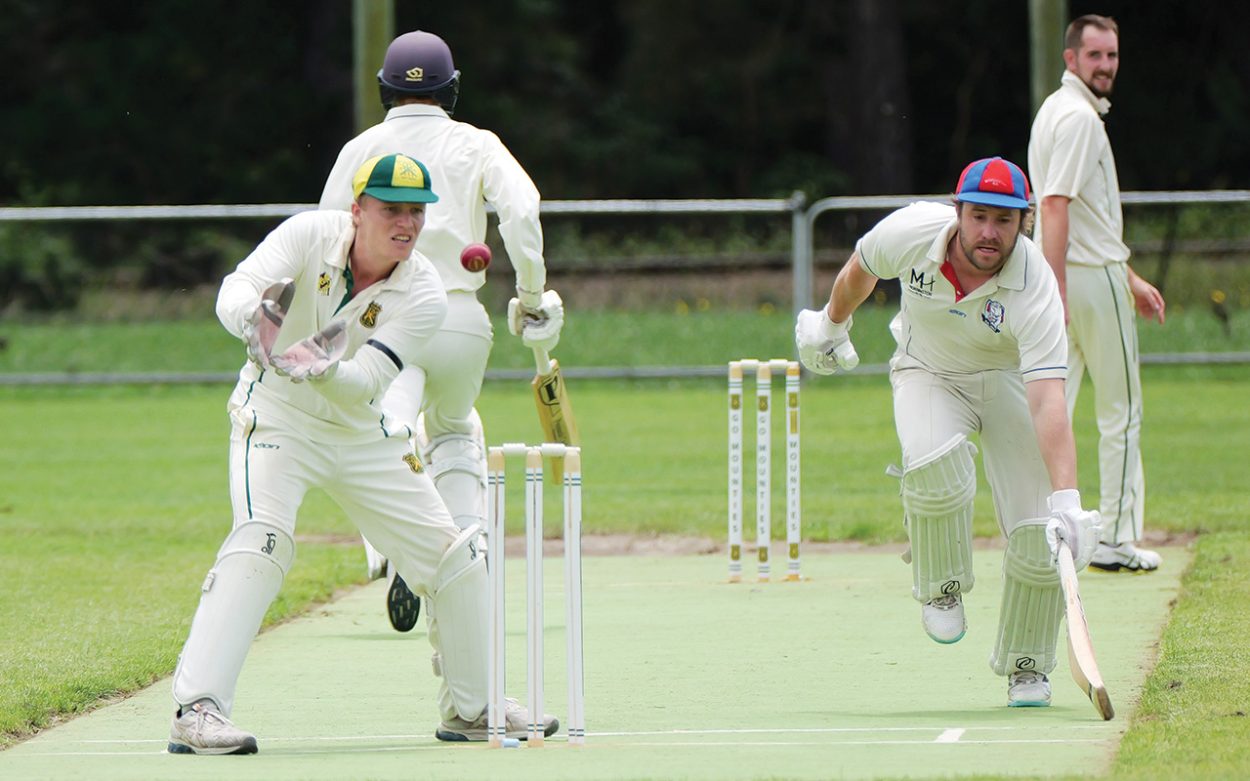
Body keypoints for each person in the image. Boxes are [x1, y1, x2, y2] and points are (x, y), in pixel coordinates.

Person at [167, 153, 555, 754]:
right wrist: (256, 320)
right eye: (390, 210)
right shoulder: (308, 234)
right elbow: (235, 289)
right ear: (357, 210)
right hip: (275, 417)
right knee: (263, 539)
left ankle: (473, 707)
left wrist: (322, 369)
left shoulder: (424, 289)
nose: (406, 224)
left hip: (357, 426)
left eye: (416, 213)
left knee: (454, 557)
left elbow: (371, 380)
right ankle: (198, 711)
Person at [794, 157, 1102, 707]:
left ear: (1024, 222)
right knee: (935, 468)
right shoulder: (912, 231)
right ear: (956, 212)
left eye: (1004, 221)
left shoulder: (1035, 286)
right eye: (978, 216)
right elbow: (860, 269)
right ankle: (940, 588)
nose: (989, 232)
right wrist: (831, 324)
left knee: (1038, 535)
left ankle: (1027, 667)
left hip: (1008, 384)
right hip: (928, 371)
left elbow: (1047, 398)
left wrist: (1069, 500)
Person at [319, 30, 563, 630]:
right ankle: (466, 550)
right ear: (452, 90)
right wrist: (529, 294)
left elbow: (326, 231)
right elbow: (524, 210)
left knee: (384, 431)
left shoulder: (363, 147)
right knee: (455, 431)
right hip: (459, 318)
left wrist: (330, 318)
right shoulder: (475, 143)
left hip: (382, 316)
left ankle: (398, 546)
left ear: (384, 89)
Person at [1028, 14, 1166, 573]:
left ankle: (1039, 530)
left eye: (1111, 55)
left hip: (1078, 274)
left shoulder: (1054, 110)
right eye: (1095, 56)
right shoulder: (1081, 118)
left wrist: (1128, 278)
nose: (1106, 65)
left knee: (1054, 407)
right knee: (1123, 410)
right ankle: (1115, 538)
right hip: (1084, 278)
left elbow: (1076, 212)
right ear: (1071, 59)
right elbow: (1055, 204)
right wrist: (1058, 284)